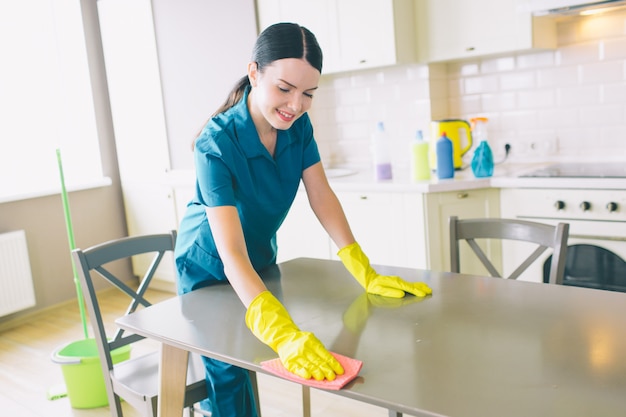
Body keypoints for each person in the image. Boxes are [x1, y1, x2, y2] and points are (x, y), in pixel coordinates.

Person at [174, 22, 433, 417]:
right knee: (228, 372)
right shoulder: (216, 142)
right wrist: (282, 332)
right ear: (254, 72)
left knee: (254, 359)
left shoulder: (297, 127)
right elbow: (230, 253)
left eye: (308, 93)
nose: (295, 105)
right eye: (284, 89)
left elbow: (321, 196)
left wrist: (362, 267)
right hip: (208, 266)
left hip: (257, 256)